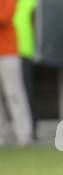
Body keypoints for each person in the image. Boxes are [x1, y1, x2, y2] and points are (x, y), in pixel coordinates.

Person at [0, 0, 33, 146]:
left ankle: (23, 135)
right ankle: (2, 135)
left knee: (14, 93)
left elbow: (5, 17)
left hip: (8, 51)